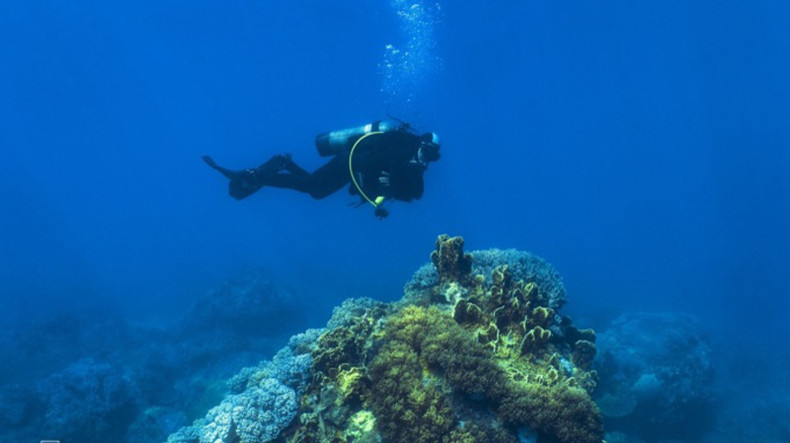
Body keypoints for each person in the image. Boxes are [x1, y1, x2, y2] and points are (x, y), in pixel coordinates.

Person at [202, 121, 441, 218]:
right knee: (311, 186)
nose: (427, 159)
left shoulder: (415, 165)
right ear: (422, 143)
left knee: (316, 192)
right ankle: (258, 176)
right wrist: (392, 177)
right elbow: (375, 159)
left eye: (432, 157)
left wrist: (395, 180)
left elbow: (416, 194)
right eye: (427, 152)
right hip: (351, 160)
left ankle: (286, 164)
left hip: (356, 171)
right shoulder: (403, 145)